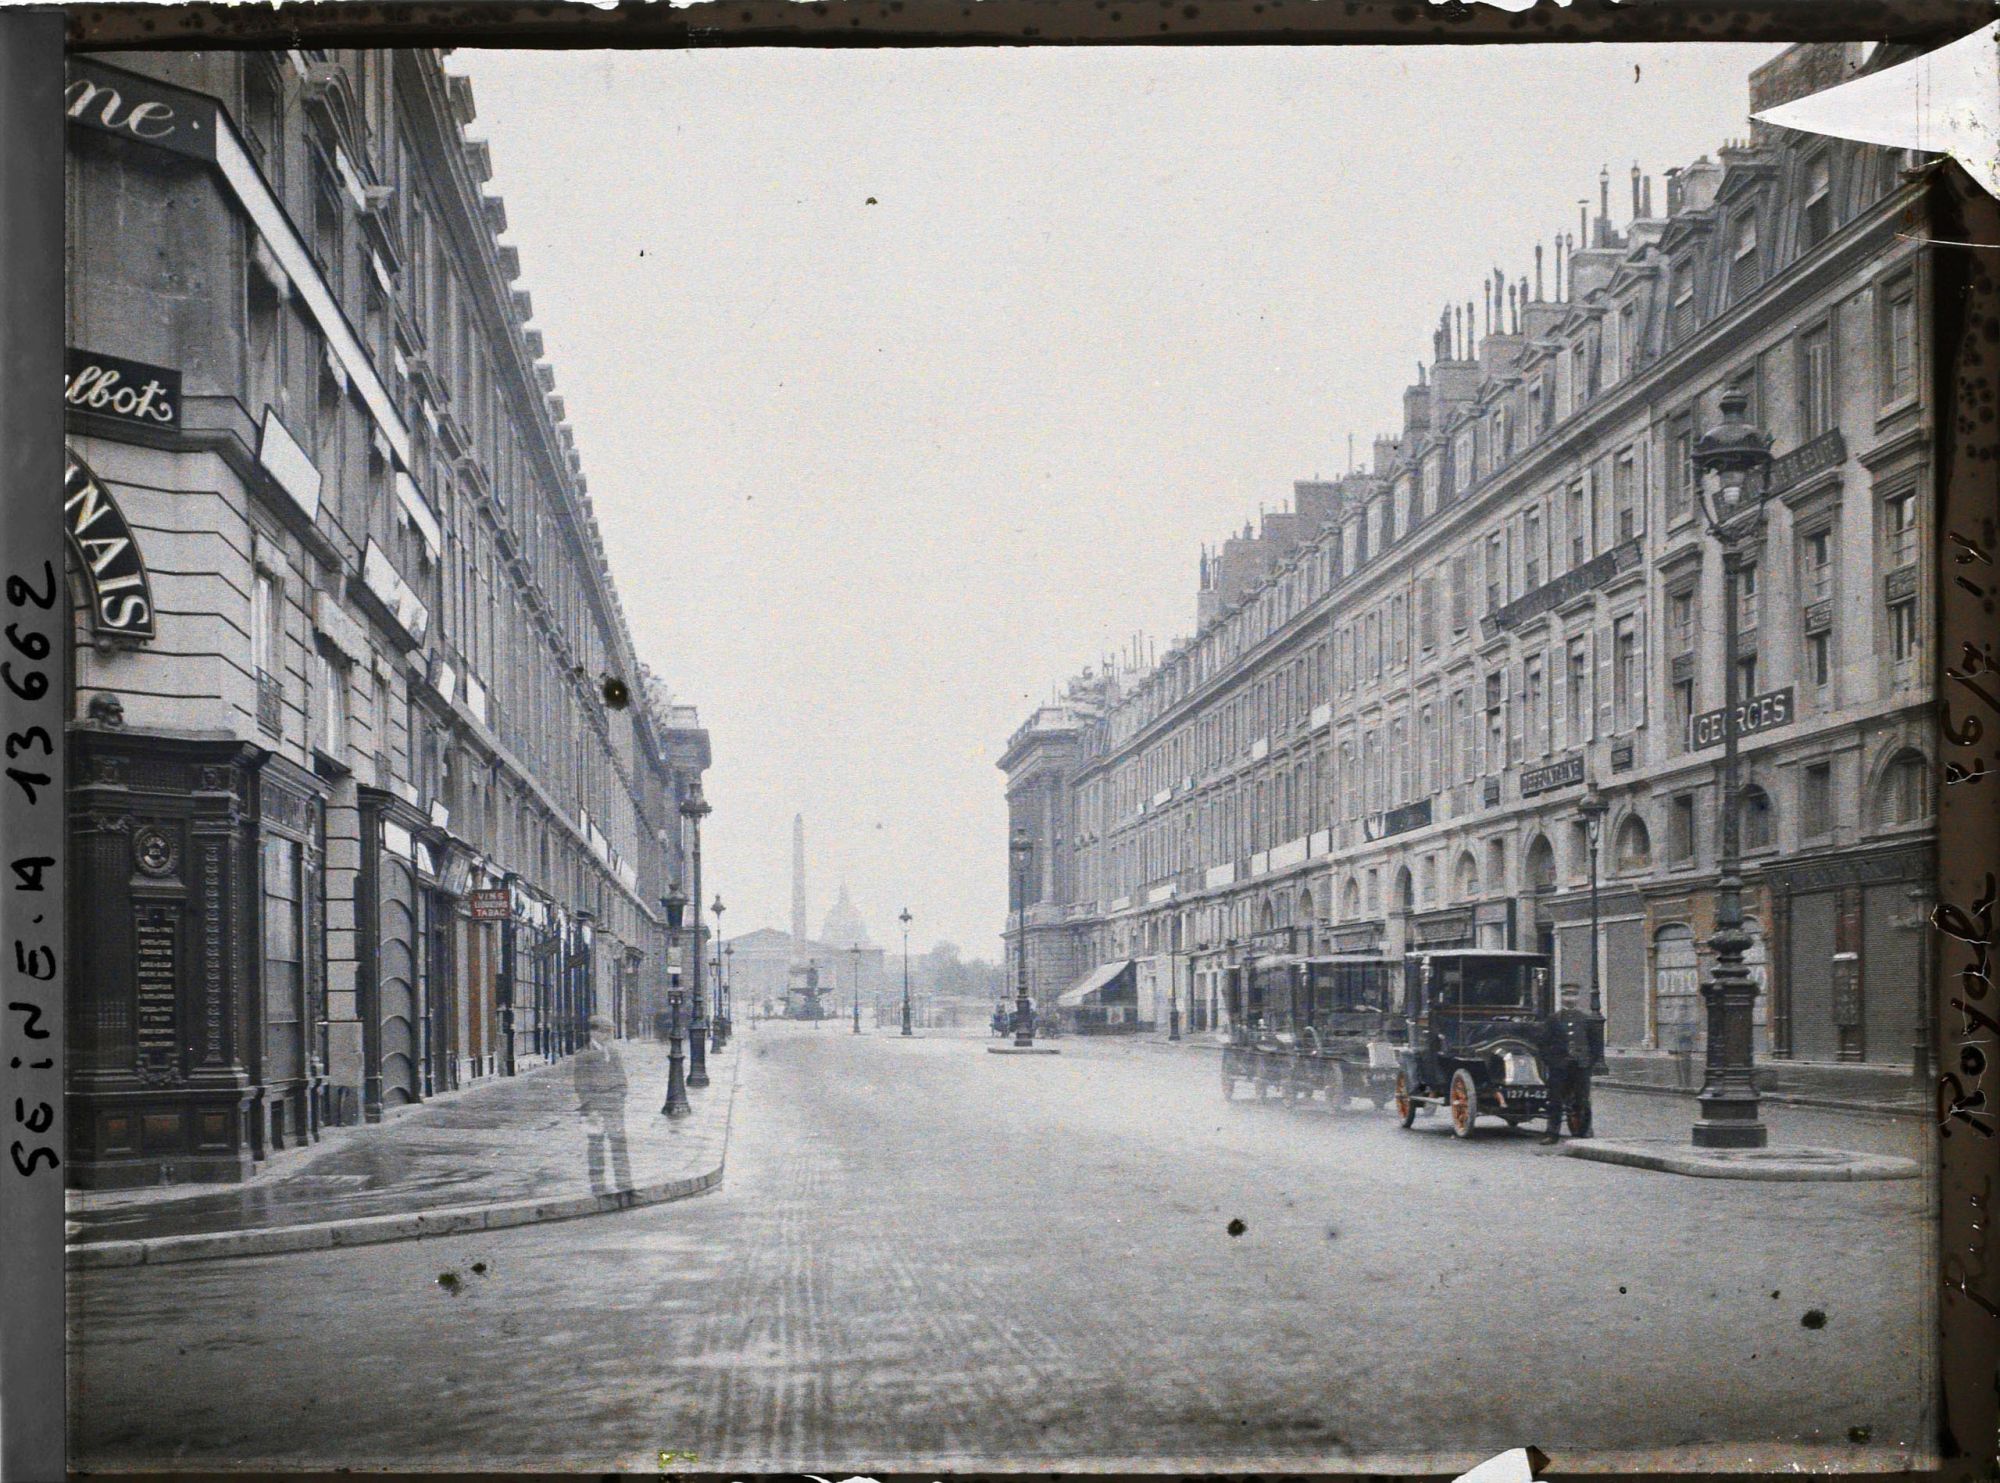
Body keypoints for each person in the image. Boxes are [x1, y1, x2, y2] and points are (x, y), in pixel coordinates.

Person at [574, 1013, 634, 1194]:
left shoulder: (613, 1052)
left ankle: (625, 1185)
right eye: (604, 1032)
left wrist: (620, 1095)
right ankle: (598, 1186)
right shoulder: (583, 1055)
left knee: (619, 1143)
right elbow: (581, 1085)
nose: (608, 1036)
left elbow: (622, 1078)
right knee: (596, 1145)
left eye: (609, 1032)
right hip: (593, 1107)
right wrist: (589, 1106)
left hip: (614, 1106)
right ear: (593, 1032)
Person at [1538, 982, 1596, 1144]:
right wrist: (1552, 1062)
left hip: (1580, 1066)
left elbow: (1595, 1045)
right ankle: (1552, 1133)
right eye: (1566, 995)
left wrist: (1588, 1063)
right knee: (1555, 1100)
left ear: (1578, 998)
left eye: (1573, 995)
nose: (1570, 998)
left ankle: (1584, 1130)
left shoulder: (1586, 1020)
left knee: (1582, 1099)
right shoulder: (1553, 1019)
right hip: (1559, 1068)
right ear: (1562, 997)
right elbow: (1543, 1044)